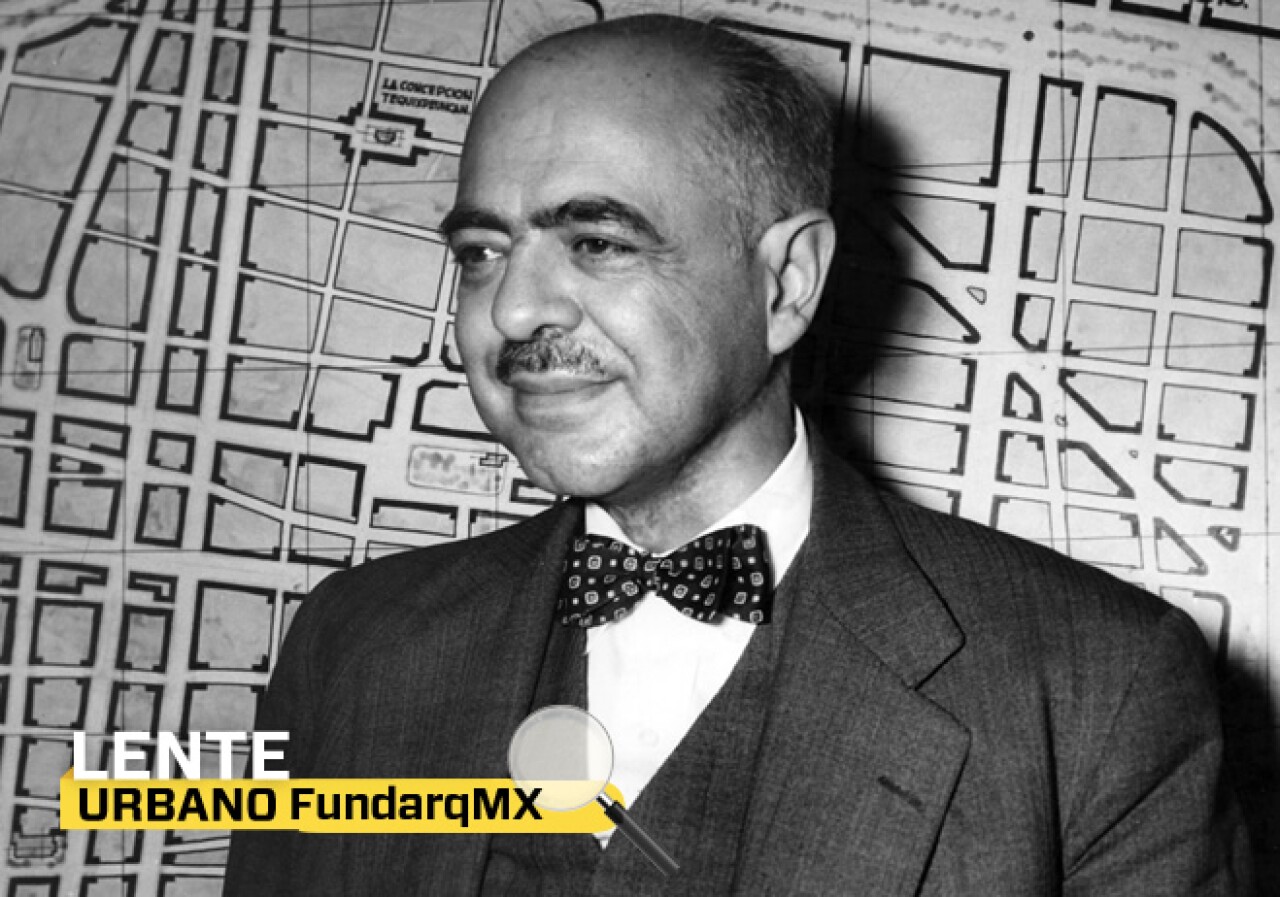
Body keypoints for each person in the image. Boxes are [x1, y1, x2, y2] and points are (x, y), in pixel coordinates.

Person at [224, 14, 1252, 895]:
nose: (515, 310)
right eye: (482, 253)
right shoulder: (351, 643)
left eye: (597, 242)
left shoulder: (1097, 688)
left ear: (787, 283)